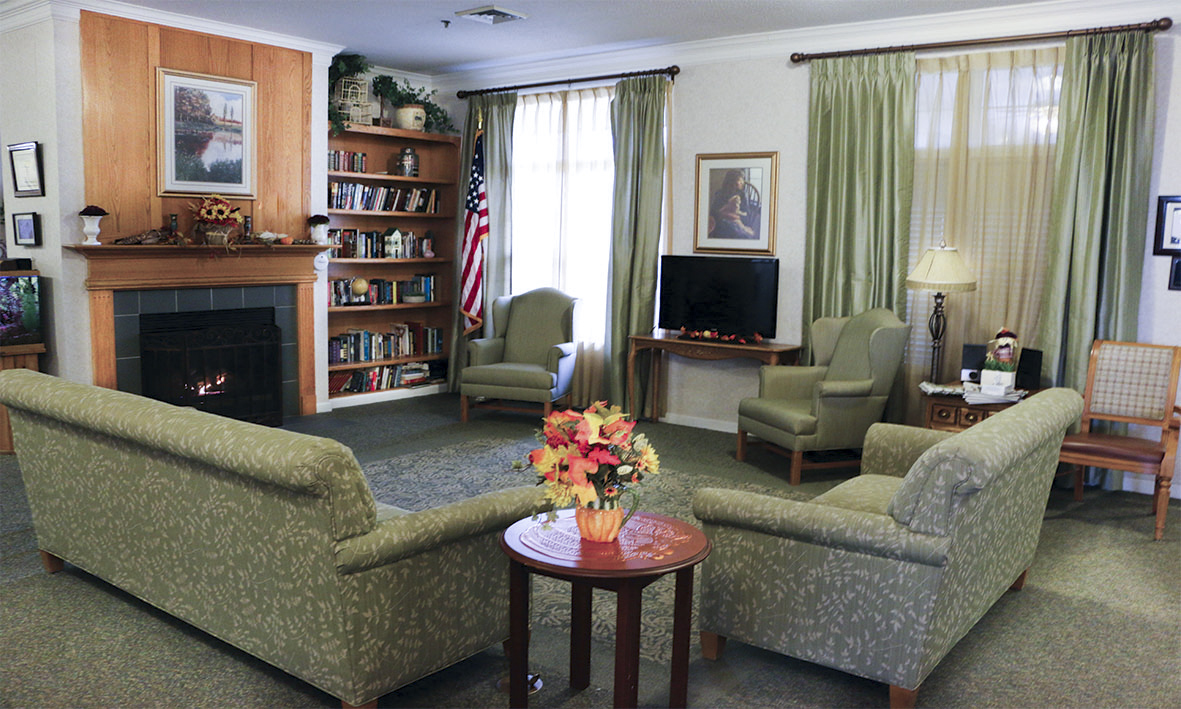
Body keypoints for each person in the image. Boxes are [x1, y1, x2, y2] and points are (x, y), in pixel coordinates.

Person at [708, 169, 759, 240]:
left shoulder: (742, 195)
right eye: (731, 185)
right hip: (721, 225)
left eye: (737, 185)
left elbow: (747, 218)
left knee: (742, 234)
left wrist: (736, 216)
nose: (733, 188)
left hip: (737, 223)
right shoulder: (720, 194)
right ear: (726, 183)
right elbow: (712, 214)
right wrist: (723, 213)